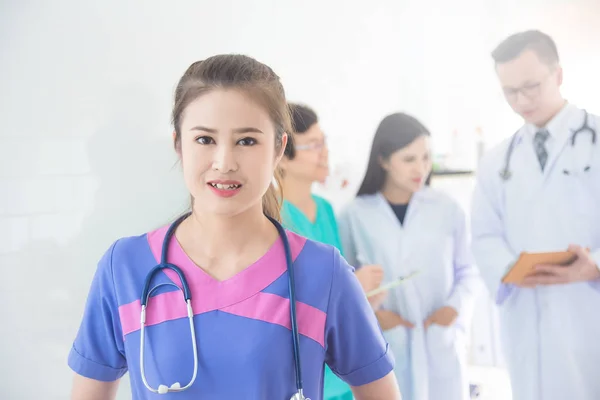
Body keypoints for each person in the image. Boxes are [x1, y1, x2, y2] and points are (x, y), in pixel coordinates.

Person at [67, 54, 401, 400]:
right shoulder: (125, 268)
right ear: (178, 144)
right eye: (204, 139)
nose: (224, 162)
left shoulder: (322, 273)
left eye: (246, 141)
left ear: (278, 148)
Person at [471, 30, 600, 400]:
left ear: (558, 75)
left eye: (531, 86)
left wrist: (595, 266)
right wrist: (509, 269)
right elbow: (483, 235)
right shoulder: (498, 161)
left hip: (588, 306)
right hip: (528, 314)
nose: (522, 100)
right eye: (510, 91)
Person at [338, 112, 481, 400]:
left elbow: (468, 270)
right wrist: (376, 317)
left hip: (440, 339)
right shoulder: (355, 214)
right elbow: (345, 286)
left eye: (426, 157)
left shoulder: (447, 208)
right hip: (387, 343)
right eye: (409, 159)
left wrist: (454, 309)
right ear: (383, 160)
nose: (421, 168)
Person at [279, 103, 388, 400]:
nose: (324, 151)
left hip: (343, 372)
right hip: (305, 376)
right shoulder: (273, 219)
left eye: (324, 141)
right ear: (282, 156)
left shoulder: (326, 210)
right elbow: (284, 301)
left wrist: (363, 299)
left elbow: (336, 282)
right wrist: (351, 288)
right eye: (313, 145)